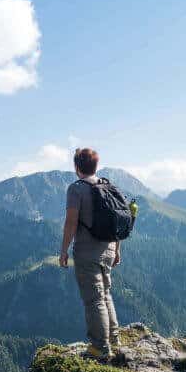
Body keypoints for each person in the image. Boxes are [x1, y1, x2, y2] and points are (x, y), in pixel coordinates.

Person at [59, 147, 120, 358]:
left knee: (94, 299)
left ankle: (100, 347)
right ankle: (114, 338)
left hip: (87, 251)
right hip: (109, 248)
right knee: (105, 293)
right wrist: (116, 249)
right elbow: (116, 222)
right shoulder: (107, 186)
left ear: (77, 167)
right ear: (95, 166)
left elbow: (71, 222)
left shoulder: (76, 189)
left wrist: (64, 250)